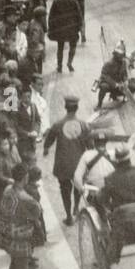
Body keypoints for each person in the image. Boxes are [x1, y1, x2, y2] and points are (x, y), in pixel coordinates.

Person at [0, 163, 43, 269]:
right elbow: (37, 212)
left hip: (6, 233)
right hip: (20, 236)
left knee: (14, 263)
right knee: (21, 266)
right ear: (25, 177)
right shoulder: (25, 198)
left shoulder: (8, 190)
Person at [44, 94, 92, 225]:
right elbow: (91, 145)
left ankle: (69, 216)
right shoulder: (84, 125)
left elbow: (48, 140)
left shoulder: (58, 124)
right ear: (77, 108)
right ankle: (76, 207)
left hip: (63, 163)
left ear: (65, 107)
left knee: (64, 189)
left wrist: (46, 149)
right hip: (79, 163)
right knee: (78, 185)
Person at [47, 0, 83, 73]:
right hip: (72, 28)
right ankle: (69, 63)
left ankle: (59, 66)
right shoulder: (74, 1)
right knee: (73, 47)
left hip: (60, 29)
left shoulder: (56, 1)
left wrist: (51, 28)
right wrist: (80, 27)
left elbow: (51, 16)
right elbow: (79, 15)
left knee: (60, 48)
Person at [73, 129, 115, 195]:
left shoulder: (87, 155)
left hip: (94, 191)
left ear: (94, 142)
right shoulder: (114, 154)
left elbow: (77, 177)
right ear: (106, 141)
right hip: (112, 190)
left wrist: (81, 189)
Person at [96, 44, 131, 109]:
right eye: (119, 55)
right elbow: (104, 75)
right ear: (115, 55)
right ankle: (99, 104)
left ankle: (117, 96)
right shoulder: (108, 63)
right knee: (104, 87)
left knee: (131, 85)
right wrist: (115, 84)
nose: (121, 57)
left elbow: (124, 74)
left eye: (122, 55)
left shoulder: (124, 63)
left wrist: (126, 81)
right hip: (109, 83)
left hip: (119, 83)